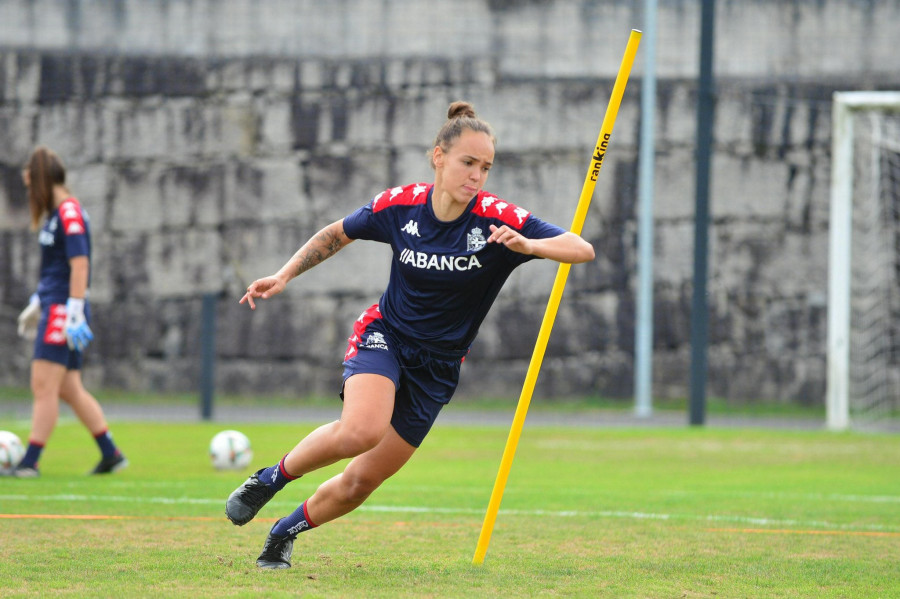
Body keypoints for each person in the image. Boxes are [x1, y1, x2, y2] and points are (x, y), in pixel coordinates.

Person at [226, 101, 595, 569]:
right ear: (438, 156)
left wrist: (529, 245)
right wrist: (283, 275)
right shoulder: (400, 205)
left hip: (439, 367)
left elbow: (580, 248)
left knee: (361, 481)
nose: (477, 176)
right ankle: (269, 479)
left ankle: (282, 533)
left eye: (486, 167)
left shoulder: (498, 219)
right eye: (468, 162)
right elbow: (337, 233)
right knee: (362, 429)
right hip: (386, 336)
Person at [5, 146, 127, 478]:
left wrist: (71, 310)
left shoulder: (69, 213)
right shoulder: (57, 215)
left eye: (31, 185)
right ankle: (110, 452)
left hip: (63, 309)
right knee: (68, 387)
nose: (30, 192)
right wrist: (38, 300)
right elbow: (57, 268)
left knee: (43, 386)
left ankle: (29, 462)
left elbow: (80, 264)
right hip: (56, 303)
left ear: (42, 179)